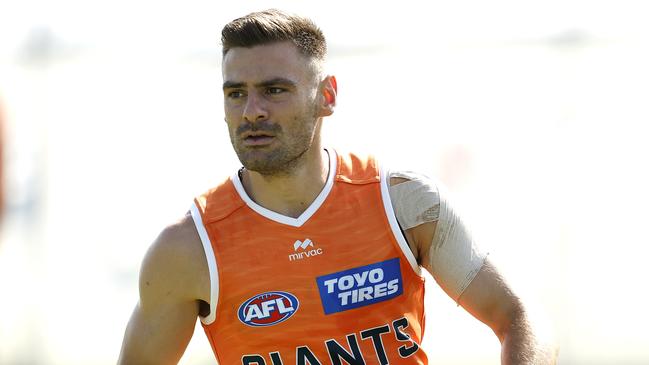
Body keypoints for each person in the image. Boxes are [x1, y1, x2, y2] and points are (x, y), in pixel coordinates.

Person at [118, 9, 556, 365]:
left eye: (274, 90)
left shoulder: (403, 202)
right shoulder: (188, 248)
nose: (252, 111)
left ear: (327, 95)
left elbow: (520, 317)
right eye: (236, 94)